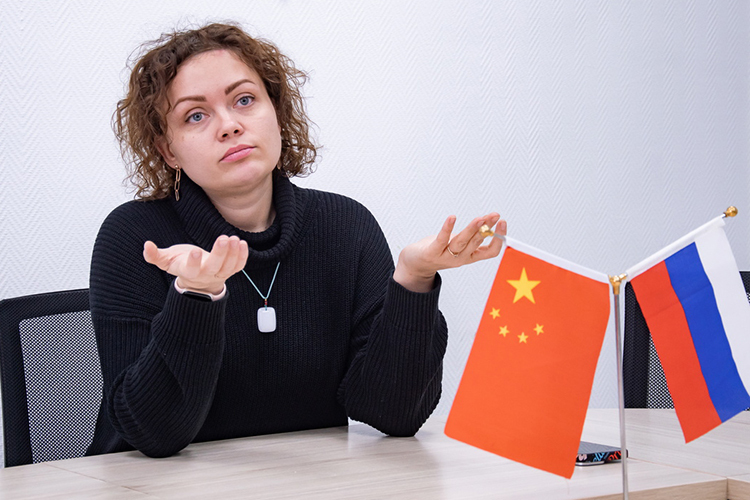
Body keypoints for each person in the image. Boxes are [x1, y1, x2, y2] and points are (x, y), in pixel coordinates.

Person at [87, 22, 506, 458]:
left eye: (244, 100)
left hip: (310, 481)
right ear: (168, 150)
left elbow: (394, 414)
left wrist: (414, 282)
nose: (229, 125)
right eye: (196, 115)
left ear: (276, 110)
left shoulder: (346, 227)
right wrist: (195, 296)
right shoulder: (137, 239)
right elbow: (153, 434)